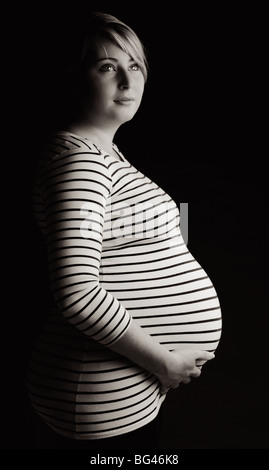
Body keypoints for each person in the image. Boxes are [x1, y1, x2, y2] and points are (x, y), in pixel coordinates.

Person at [27, 11, 222, 449]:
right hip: (97, 391)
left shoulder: (105, 154)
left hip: (125, 384)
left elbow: (151, 236)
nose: (127, 81)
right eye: (106, 67)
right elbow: (76, 294)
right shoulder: (80, 162)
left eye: (134, 66)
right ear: (73, 79)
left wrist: (173, 242)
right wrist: (165, 363)